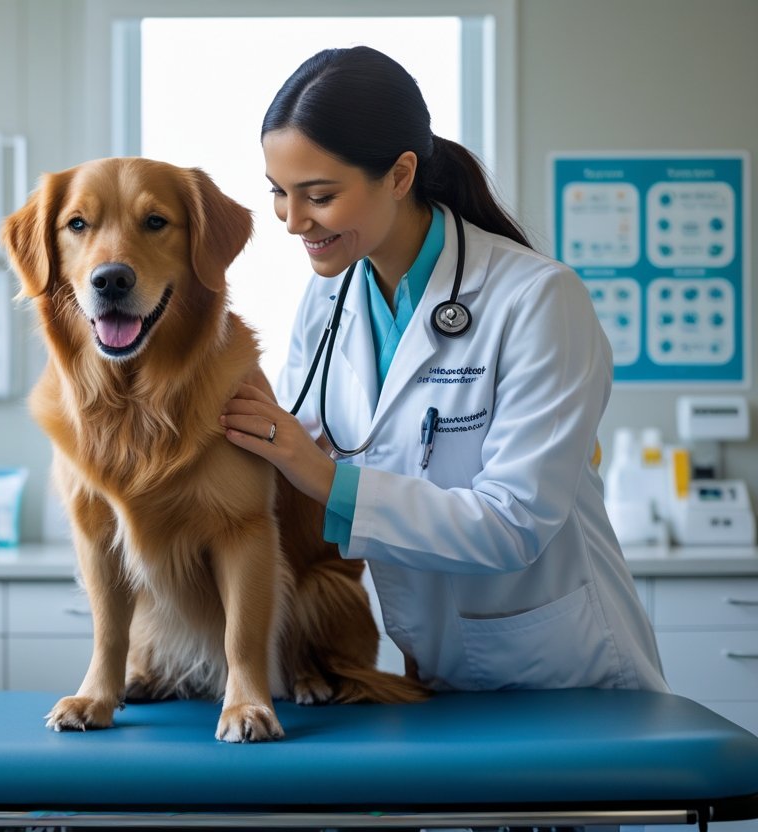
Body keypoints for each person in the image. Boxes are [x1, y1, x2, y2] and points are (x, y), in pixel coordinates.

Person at [220, 46, 666, 693]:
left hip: (565, 674)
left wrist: (323, 476)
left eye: (319, 195)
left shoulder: (537, 298)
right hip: (431, 664)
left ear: (400, 175)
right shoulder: (330, 297)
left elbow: (513, 523)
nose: (292, 222)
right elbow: (298, 453)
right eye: (279, 195)